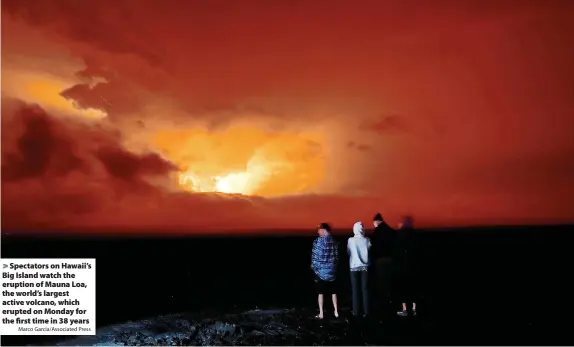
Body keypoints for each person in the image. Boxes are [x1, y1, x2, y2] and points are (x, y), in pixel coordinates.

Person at [311, 223, 340, 319]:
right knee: (334, 292)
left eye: (319, 230)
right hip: (332, 272)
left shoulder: (318, 241)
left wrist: (315, 269)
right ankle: (336, 311)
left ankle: (321, 313)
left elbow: (314, 258)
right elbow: (336, 257)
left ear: (323, 230)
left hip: (321, 273)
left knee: (320, 293)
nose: (318, 232)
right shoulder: (334, 241)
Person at [369, 212, 396, 313]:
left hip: (380, 260)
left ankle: (383, 303)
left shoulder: (376, 232)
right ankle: (390, 300)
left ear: (376, 222)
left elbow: (373, 246)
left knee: (381, 282)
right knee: (390, 280)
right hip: (390, 259)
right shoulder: (390, 231)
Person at [394, 215, 418, 317]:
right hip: (413, 265)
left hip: (402, 266)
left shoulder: (399, 234)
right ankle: (414, 309)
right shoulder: (414, 234)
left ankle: (405, 309)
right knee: (414, 287)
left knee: (403, 288)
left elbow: (396, 250)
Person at [348, 221, 371, 318]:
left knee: (355, 289)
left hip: (353, 267)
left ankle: (356, 311)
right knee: (365, 289)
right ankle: (366, 311)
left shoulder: (350, 240)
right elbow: (369, 250)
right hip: (365, 267)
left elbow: (348, 252)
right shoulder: (367, 240)